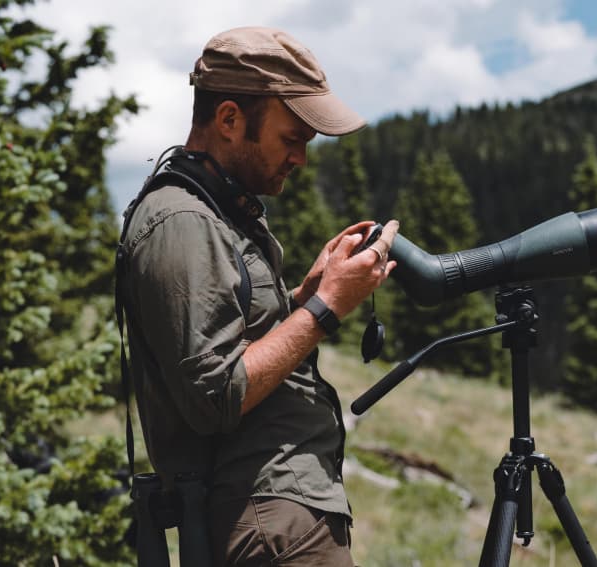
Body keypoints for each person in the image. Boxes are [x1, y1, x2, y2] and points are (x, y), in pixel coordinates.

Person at [118, 26, 398, 566]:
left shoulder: (216, 213)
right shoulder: (181, 221)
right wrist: (325, 308)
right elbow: (215, 394)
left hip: (280, 513)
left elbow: (236, 343)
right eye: (291, 138)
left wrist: (304, 298)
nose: (301, 158)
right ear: (229, 119)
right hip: (270, 521)